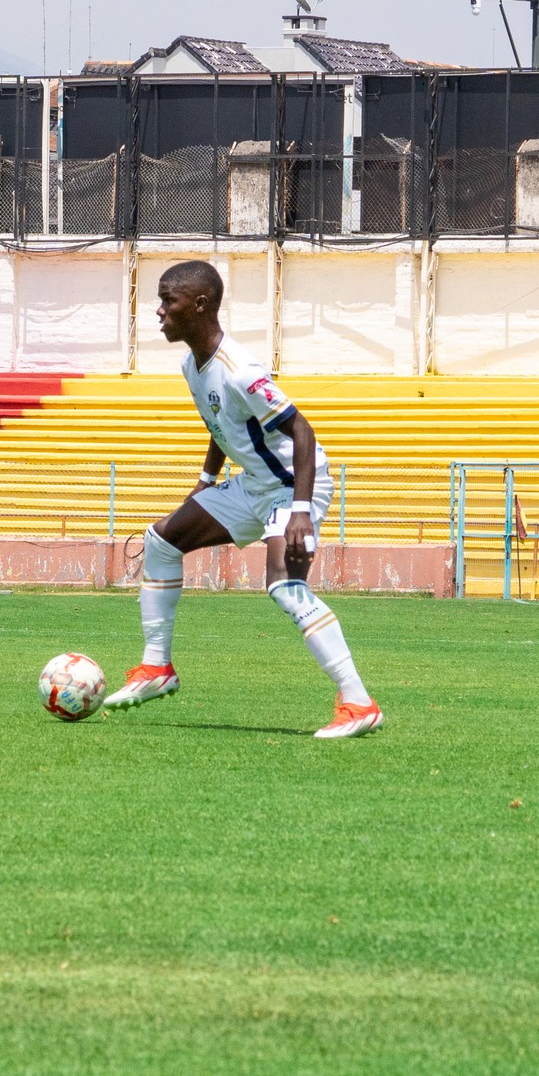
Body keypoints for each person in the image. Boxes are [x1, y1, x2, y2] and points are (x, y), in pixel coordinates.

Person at [104, 260, 383, 739]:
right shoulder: (193, 365)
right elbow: (222, 427)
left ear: (199, 304)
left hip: (295, 486)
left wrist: (299, 511)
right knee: (161, 541)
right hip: (252, 484)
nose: (159, 312)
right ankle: (157, 669)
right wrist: (206, 480)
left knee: (285, 587)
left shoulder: (240, 370)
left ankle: (357, 702)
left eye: (167, 301)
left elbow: (302, 429)